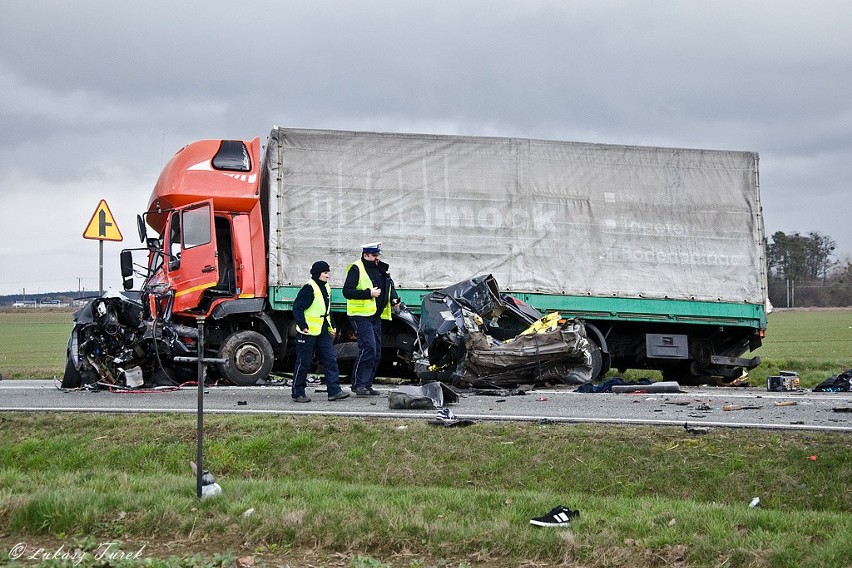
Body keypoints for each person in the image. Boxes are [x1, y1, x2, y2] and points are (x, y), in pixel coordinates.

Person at [343, 242, 400, 396]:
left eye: (378, 255)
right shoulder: (356, 269)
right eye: (374, 255)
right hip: (360, 315)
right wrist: (369, 293)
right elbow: (347, 292)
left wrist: (394, 299)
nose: (377, 257)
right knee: (368, 348)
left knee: (376, 352)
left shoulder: (381, 269)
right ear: (365, 255)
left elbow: (390, 286)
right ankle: (358, 384)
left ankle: (366, 384)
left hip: (375, 316)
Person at [291, 260, 350, 403]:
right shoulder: (309, 288)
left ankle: (334, 391)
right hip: (308, 331)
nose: (328, 275)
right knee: (303, 362)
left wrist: (333, 326)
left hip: (322, 330)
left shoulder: (326, 288)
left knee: (331, 359)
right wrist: (303, 324)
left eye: (328, 272)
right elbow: (297, 308)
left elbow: (327, 311)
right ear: (318, 274)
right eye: (325, 273)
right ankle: (298, 393)